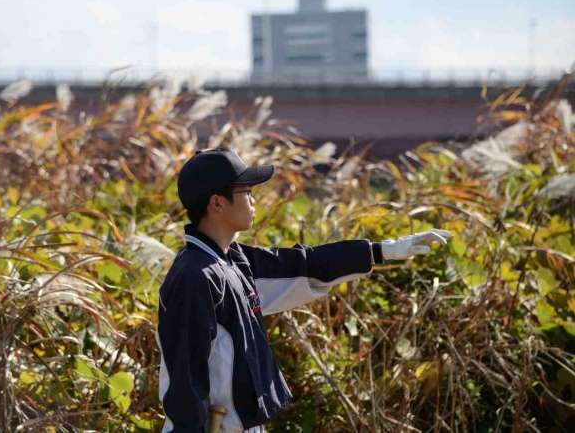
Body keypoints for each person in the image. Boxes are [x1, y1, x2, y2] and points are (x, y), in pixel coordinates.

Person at [156, 146, 452, 432]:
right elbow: (184, 380)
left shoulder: (232, 259)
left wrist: (385, 250)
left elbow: (305, 264)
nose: (253, 200)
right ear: (217, 203)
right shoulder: (195, 277)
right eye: (246, 191)